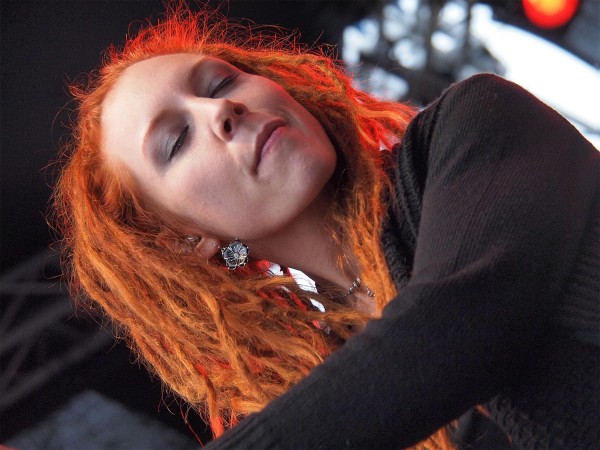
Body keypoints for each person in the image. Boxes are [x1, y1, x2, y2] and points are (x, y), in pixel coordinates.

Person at [53, 3, 599, 449]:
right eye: (176, 140)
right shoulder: (328, 369)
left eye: (220, 84)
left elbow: (456, 326)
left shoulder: (475, 124)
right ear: (187, 240)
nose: (221, 113)